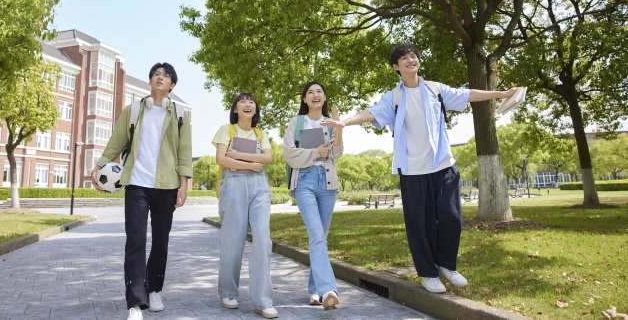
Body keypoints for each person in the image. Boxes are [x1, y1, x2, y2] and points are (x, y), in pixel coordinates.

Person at [322, 44, 518, 294]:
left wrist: (501, 94)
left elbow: (467, 94)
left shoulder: (435, 89)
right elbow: (370, 113)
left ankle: (446, 265)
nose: (410, 60)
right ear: (396, 67)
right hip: (413, 171)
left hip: (443, 164)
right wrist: (344, 122)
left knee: (452, 217)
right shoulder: (392, 97)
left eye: (413, 56)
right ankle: (428, 273)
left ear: (418, 61)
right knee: (420, 225)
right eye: (403, 58)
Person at [90, 62, 192, 320]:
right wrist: (100, 165)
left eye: (166, 75)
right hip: (136, 183)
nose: (161, 77)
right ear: (150, 81)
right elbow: (117, 141)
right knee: (135, 240)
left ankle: (154, 289)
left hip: (167, 185)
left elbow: (185, 152)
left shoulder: (180, 115)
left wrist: (184, 184)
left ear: (172, 85)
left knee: (161, 241)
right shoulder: (134, 110)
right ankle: (135, 302)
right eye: (156, 74)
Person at [212, 93, 278, 319]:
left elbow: (267, 159)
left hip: (259, 187)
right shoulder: (226, 130)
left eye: (251, 101)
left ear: (255, 109)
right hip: (234, 184)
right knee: (233, 239)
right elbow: (221, 159)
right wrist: (253, 162)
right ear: (235, 109)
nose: (248, 104)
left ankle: (263, 300)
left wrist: (238, 155)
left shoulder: (261, 134)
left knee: (262, 238)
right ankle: (228, 292)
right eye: (243, 101)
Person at [282, 81, 344, 309]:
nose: (315, 95)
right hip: (305, 182)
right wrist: (315, 152)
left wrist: (339, 128)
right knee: (317, 236)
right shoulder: (297, 122)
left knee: (320, 238)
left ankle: (314, 291)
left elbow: (336, 154)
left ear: (324, 98)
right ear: (305, 99)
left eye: (319, 91)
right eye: (310, 92)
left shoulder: (331, 123)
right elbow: (288, 153)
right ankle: (328, 289)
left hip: (327, 184)